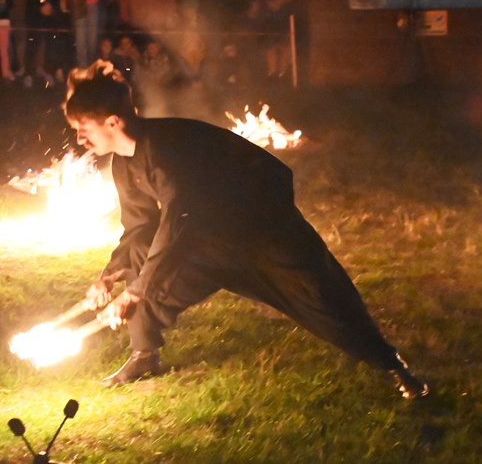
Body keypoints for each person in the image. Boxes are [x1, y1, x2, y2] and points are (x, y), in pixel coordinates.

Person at [66, 64, 429, 399]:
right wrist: (110, 277)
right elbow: (138, 226)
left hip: (263, 233)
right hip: (209, 242)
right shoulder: (123, 165)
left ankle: (393, 365)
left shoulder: (165, 149)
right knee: (141, 261)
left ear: (112, 122)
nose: (81, 140)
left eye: (84, 129)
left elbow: (179, 218)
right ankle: (144, 355)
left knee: (323, 299)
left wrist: (136, 292)